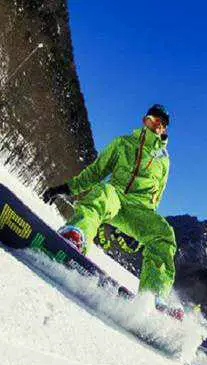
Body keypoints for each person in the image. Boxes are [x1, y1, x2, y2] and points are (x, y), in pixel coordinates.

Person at [43, 104, 181, 317]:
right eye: (153, 120)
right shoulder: (123, 143)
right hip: (115, 195)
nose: (156, 126)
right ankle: (75, 237)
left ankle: (153, 296)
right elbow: (96, 172)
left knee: (164, 234)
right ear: (144, 120)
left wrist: (141, 230)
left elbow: (156, 196)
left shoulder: (164, 161)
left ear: (164, 130)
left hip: (139, 209)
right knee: (102, 193)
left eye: (161, 124)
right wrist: (67, 188)